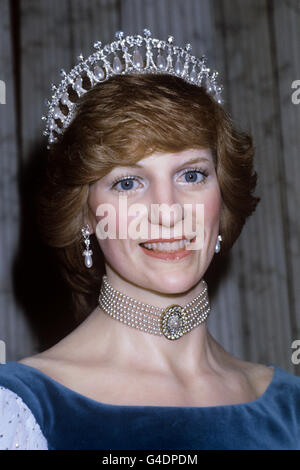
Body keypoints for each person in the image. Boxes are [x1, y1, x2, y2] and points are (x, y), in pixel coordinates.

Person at [0, 29, 299, 451]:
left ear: (223, 196)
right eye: (128, 183)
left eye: (191, 175)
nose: (168, 210)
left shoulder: (290, 408)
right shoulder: (20, 409)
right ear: (84, 214)